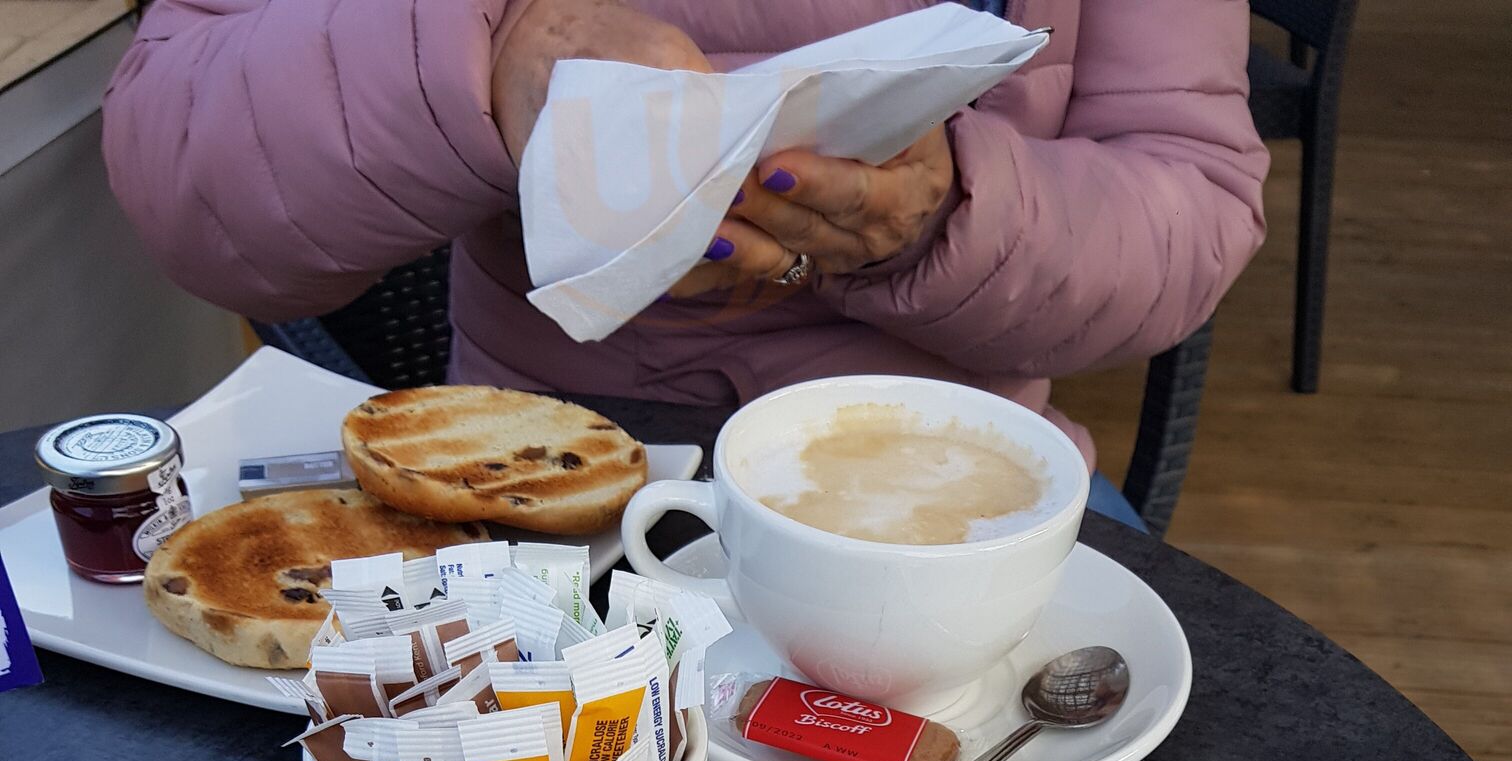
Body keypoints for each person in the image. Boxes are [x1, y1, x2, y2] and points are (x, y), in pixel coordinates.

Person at [102, 0, 1266, 527]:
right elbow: (184, 174)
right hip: (538, 492)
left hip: (966, 483)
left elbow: (1192, 209)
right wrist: (482, 55)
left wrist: (950, 207)